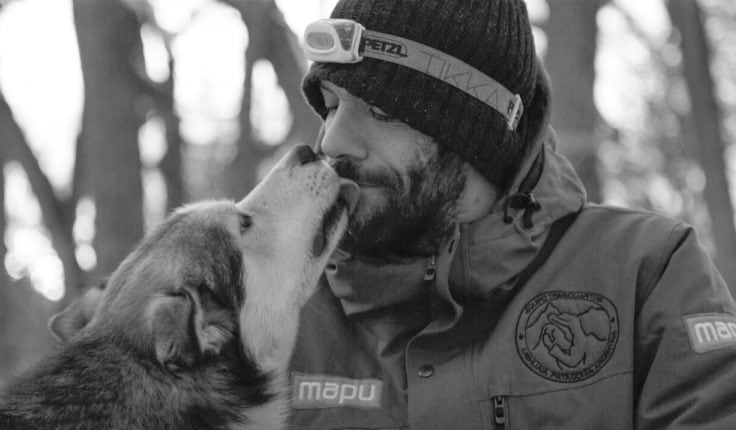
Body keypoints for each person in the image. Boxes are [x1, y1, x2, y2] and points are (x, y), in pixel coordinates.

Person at [287, 0, 736, 429]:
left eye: (381, 110)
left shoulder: (648, 273)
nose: (332, 141)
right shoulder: (281, 306)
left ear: (470, 131)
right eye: (331, 105)